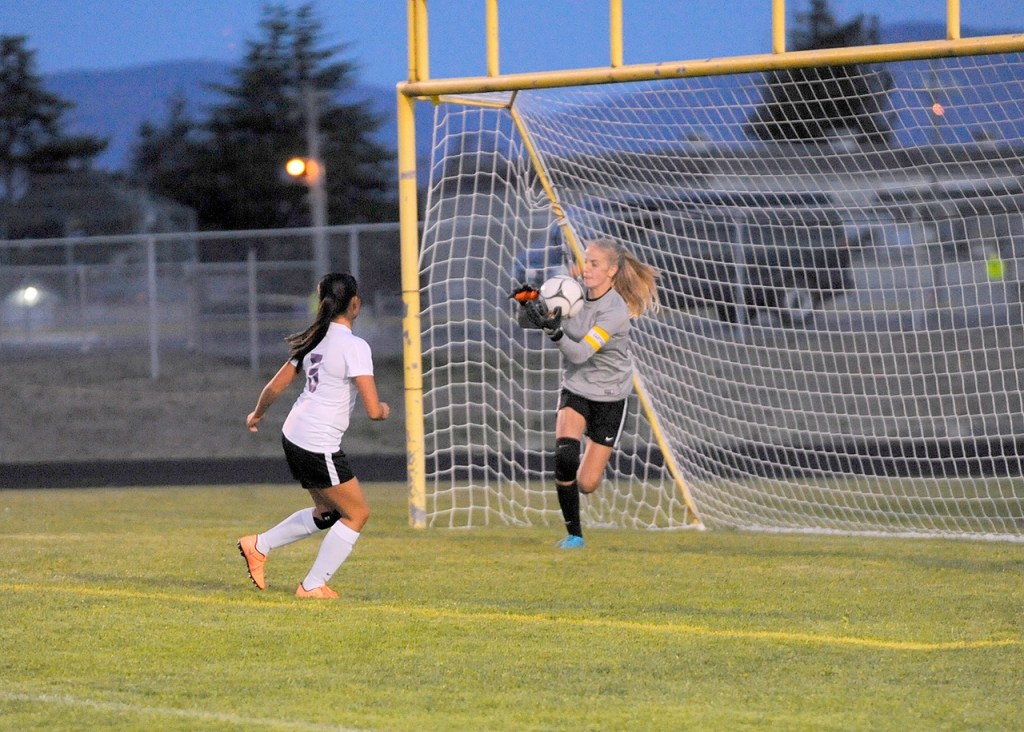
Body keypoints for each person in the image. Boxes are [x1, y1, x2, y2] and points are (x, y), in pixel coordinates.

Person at [238, 272, 390, 598]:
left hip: (294, 435)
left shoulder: (314, 340)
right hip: (316, 443)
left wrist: (258, 414)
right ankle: (312, 585)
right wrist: (384, 410)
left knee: (327, 513)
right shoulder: (354, 346)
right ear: (355, 304)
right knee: (357, 514)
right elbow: (374, 410)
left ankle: (258, 546)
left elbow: (276, 385)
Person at [517, 238, 658, 548]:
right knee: (565, 457)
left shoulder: (615, 311)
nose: (587, 268)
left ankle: (588, 483)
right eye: (586, 261)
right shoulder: (570, 292)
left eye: (594, 264)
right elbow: (529, 321)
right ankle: (574, 535)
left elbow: (580, 353)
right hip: (576, 389)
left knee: (586, 483)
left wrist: (554, 332)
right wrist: (530, 302)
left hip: (611, 397)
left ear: (611, 271)